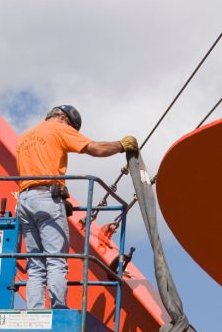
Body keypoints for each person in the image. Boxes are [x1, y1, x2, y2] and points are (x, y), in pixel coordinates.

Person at [14, 105, 137, 310]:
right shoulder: (59, 128)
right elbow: (95, 148)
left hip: (25, 199)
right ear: (63, 119)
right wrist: (121, 145)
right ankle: (58, 309)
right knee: (56, 260)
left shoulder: (26, 136)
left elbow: (38, 170)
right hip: (46, 199)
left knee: (35, 264)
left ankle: (34, 312)